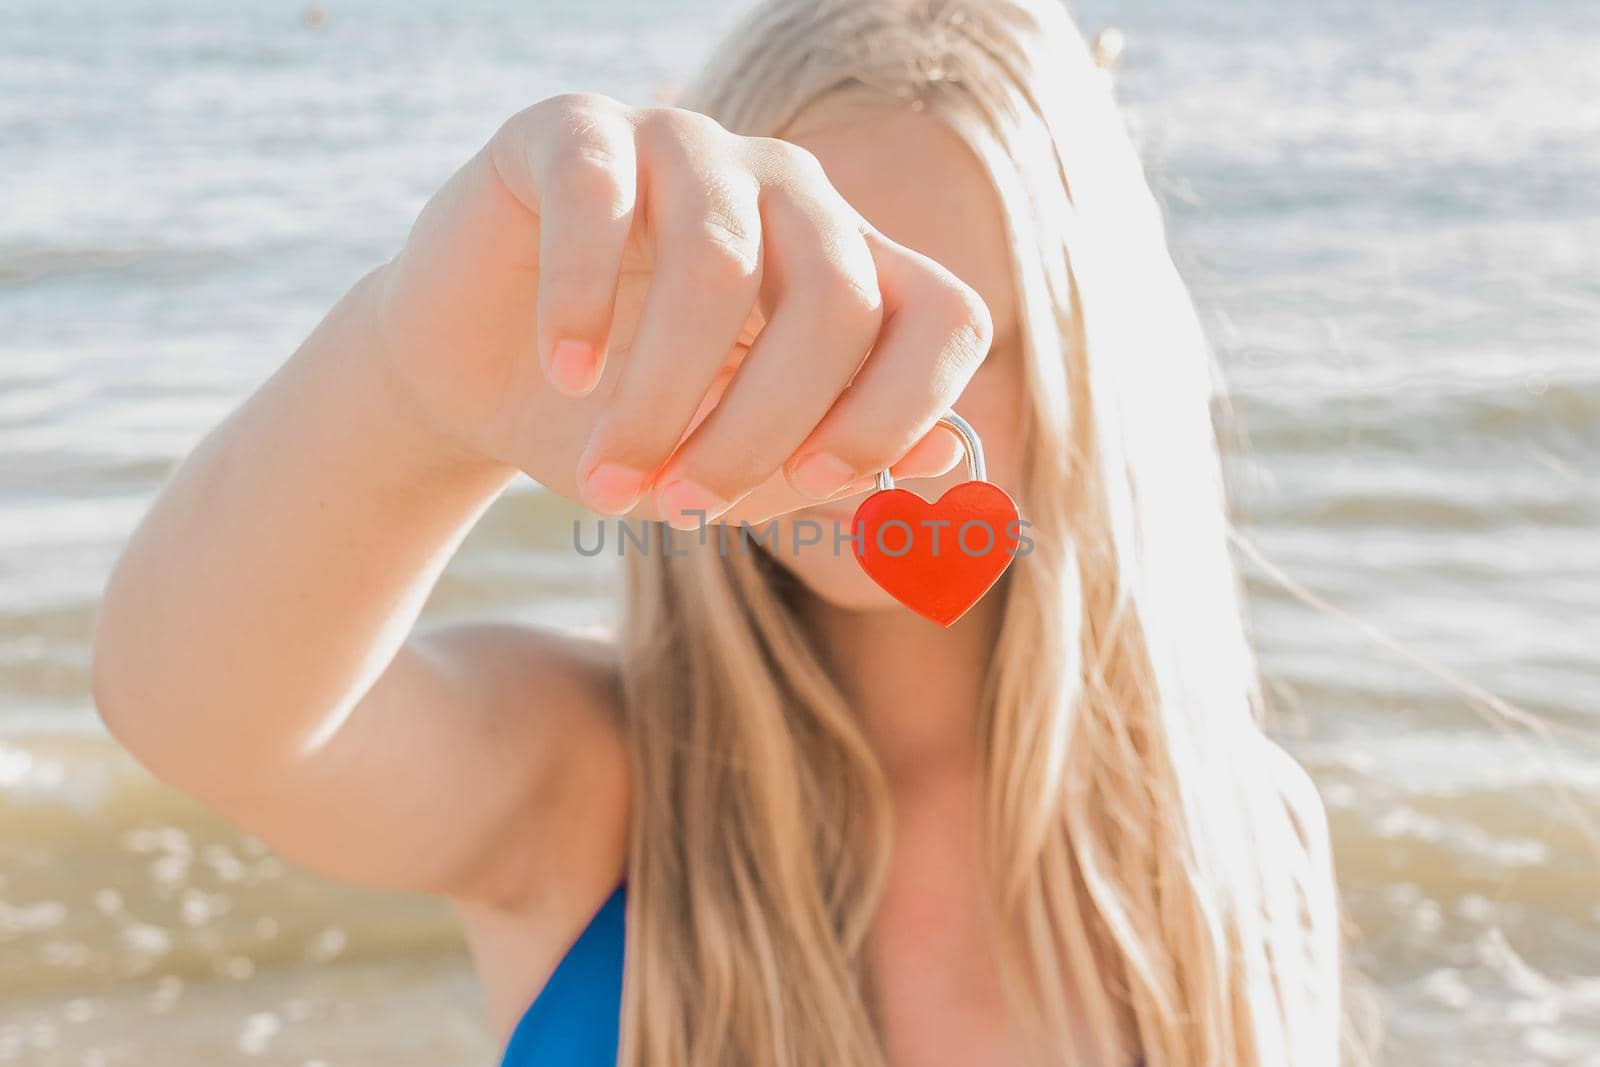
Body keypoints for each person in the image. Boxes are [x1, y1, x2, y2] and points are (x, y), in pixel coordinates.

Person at [89, 0, 1344, 1064]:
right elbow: (198, 714)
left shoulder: (1248, 834)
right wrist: (414, 377)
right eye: (791, 324)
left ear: (1088, 358)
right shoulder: (589, 778)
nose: (870, 413)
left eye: (963, 345)